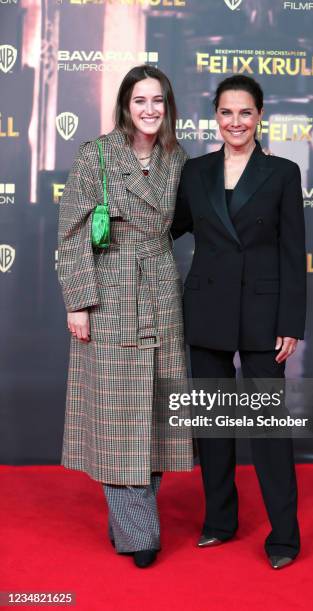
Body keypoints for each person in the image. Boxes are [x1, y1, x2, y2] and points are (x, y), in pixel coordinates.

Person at [57, 65, 193, 569]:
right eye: (140, 101)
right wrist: (78, 302)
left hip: (161, 290)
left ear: (169, 105)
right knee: (116, 415)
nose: (150, 110)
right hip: (111, 294)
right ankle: (140, 531)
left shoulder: (176, 159)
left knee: (156, 413)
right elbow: (72, 233)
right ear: (125, 105)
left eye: (158, 100)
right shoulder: (95, 154)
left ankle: (130, 522)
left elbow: (187, 218)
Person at [172, 75, 306, 569]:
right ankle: (219, 523)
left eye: (245, 113)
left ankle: (285, 537)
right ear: (215, 116)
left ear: (259, 116)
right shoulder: (195, 172)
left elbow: (294, 254)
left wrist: (291, 321)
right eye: (227, 113)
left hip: (262, 314)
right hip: (206, 308)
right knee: (212, 425)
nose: (236, 122)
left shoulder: (282, 172)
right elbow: (171, 226)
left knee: (269, 428)